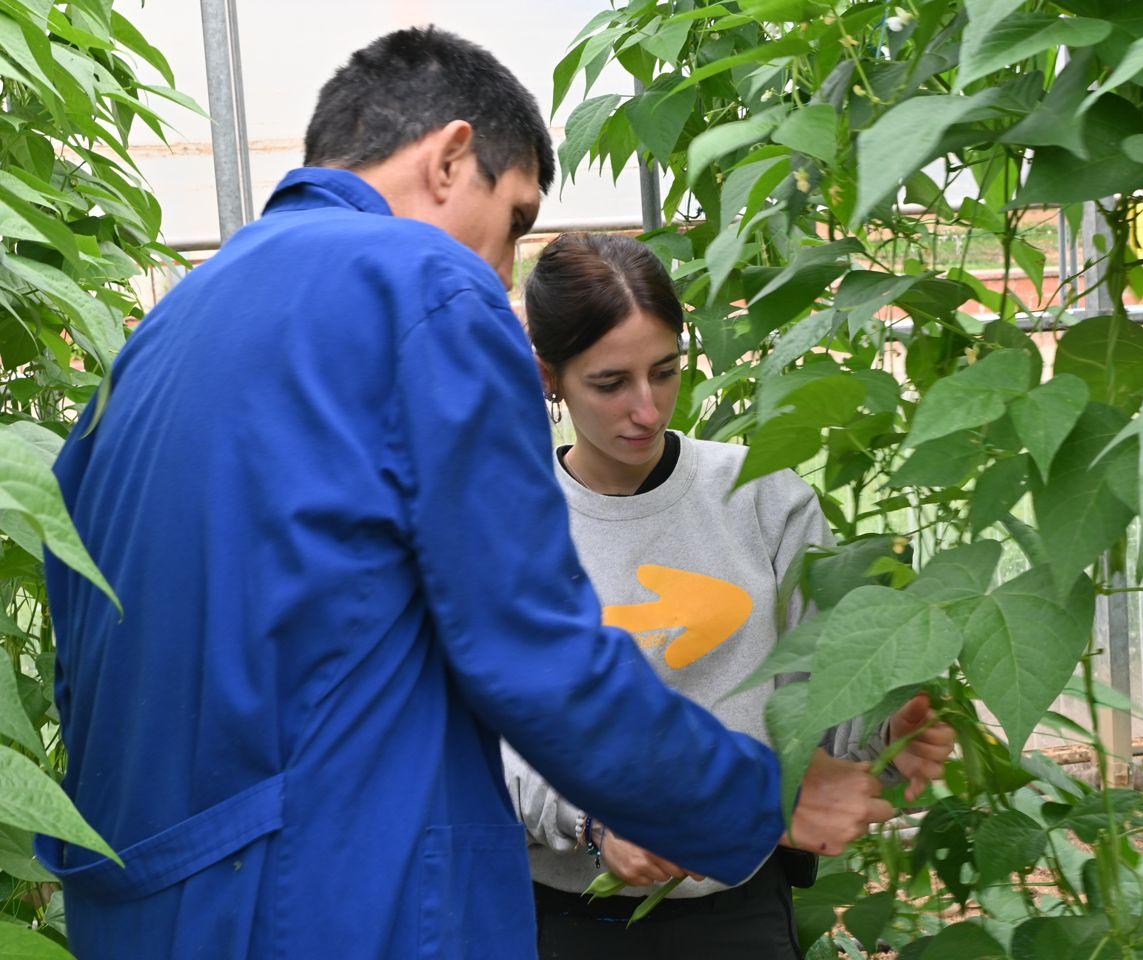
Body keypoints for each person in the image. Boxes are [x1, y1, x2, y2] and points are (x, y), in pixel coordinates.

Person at [38, 27, 896, 960]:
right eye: (517, 219)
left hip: (149, 897)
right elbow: (529, 647)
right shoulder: (425, 285)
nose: (504, 272)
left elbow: (83, 655)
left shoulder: (156, 340)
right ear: (451, 157)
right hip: (332, 897)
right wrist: (760, 798)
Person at [503, 233, 957, 959]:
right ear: (550, 376)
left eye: (665, 372)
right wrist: (592, 823)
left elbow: (818, 703)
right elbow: (492, 730)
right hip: (562, 923)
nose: (646, 409)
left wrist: (886, 734)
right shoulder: (510, 519)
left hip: (738, 912)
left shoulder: (762, 497)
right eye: (611, 383)